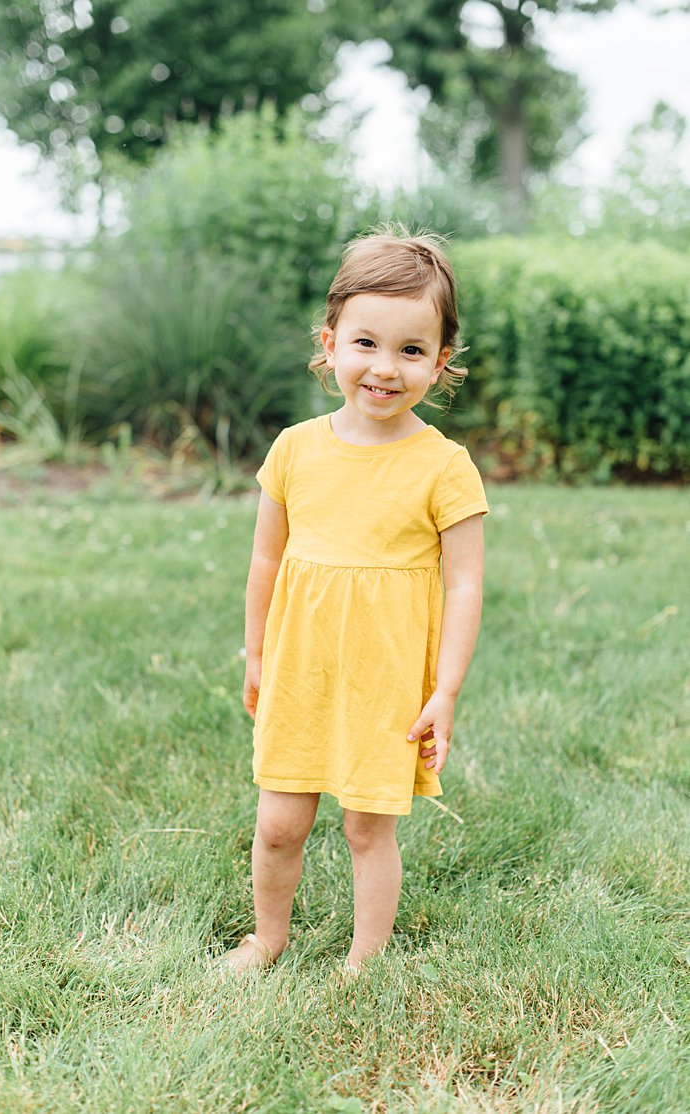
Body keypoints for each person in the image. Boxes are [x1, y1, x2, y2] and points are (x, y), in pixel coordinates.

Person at [223, 229, 487, 974]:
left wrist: (446, 689)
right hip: (302, 673)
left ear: (440, 363)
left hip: (385, 679)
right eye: (366, 342)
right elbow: (265, 557)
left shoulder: (444, 467)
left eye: (410, 351)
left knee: (368, 826)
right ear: (330, 342)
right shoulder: (295, 450)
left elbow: (464, 581)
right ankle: (266, 938)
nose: (384, 367)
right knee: (278, 823)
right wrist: (257, 653)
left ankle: (364, 959)